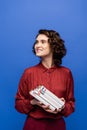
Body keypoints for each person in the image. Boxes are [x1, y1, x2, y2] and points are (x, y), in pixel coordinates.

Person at [15, 29, 75, 130]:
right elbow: (18, 104)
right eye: (36, 42)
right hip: (34, 125)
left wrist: (62, 106)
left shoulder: (66, 73)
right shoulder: (29, 73)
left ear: (53, 45)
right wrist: (33, 102)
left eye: (43, 42)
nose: (37, 45)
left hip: (57, 125)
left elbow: (71, 105)